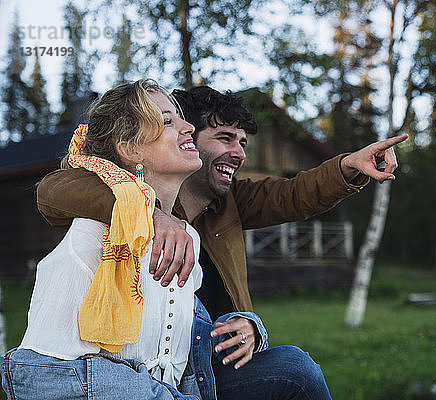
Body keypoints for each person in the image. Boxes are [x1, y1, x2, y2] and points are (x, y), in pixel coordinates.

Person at [35, 86, 407, 399]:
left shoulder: (230, 203)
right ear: (189, 139)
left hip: (207, 358)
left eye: (242, 142)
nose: (240, 153)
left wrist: (349, 166)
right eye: (225, 138)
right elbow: (56, 187)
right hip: (136, 374)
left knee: (296, 369)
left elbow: (296, 194)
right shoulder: (122, 203)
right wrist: (149, 214)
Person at [1, 79, 269, 400]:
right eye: (167, 121)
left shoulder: (188, 238)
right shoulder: (95, 232)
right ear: (131, 150)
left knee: (294, 365)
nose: (187, 128)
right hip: (80, 386)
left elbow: (185, 333)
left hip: (163, 388)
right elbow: (46, 377)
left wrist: (249, 325)